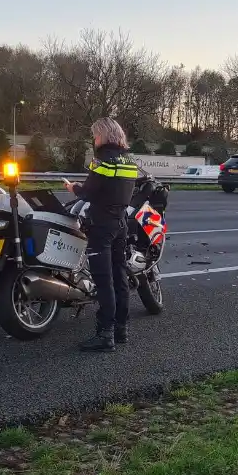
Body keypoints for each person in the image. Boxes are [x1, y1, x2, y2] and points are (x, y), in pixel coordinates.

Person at [63, 117, 139, 352]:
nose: (94, 140)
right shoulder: (129, 160)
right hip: (120, 223)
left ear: (103, 136)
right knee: (120, 276)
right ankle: (120, 329)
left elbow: (88, 192)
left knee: (103, 280)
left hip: (101, 225)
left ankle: (105, 334)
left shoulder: (102, 160)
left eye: (95, 135)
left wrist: (72, 187)